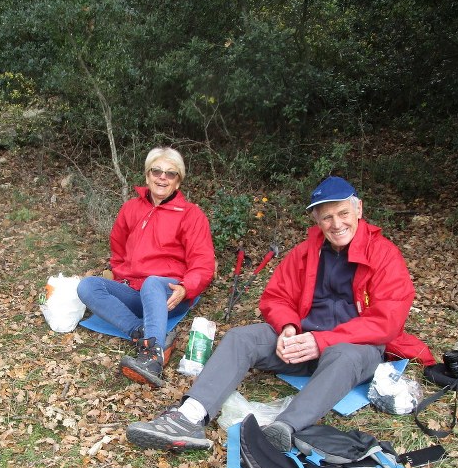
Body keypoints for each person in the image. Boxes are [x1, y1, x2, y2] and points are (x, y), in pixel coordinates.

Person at [126, 175, 435, 452]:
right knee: (241, 338)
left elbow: (387, 321)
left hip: (354, 349)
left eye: (343, 213)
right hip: (301, 341)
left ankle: (283, 429)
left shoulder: (384, 254)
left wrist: (322, 341)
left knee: (344, 357)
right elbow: (275, 297)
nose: (336, 224)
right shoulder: (305, 252)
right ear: (316, 220)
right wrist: (287, 326)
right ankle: (188, 417)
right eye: (326, 217)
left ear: (359, 210)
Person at [77, 147, 215, 388]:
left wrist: (186, 288)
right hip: (135, 291)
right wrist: (122, 275)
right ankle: (144, 335)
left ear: (178, 181)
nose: (162, 177)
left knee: (152, 282)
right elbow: (117, 248)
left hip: (168, 293)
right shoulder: (131, 208)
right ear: (148, 175)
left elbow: (202, 263)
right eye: (157, 171)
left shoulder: (191, 215)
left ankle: (152, 360)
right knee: (88, 285)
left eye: (170, 174)